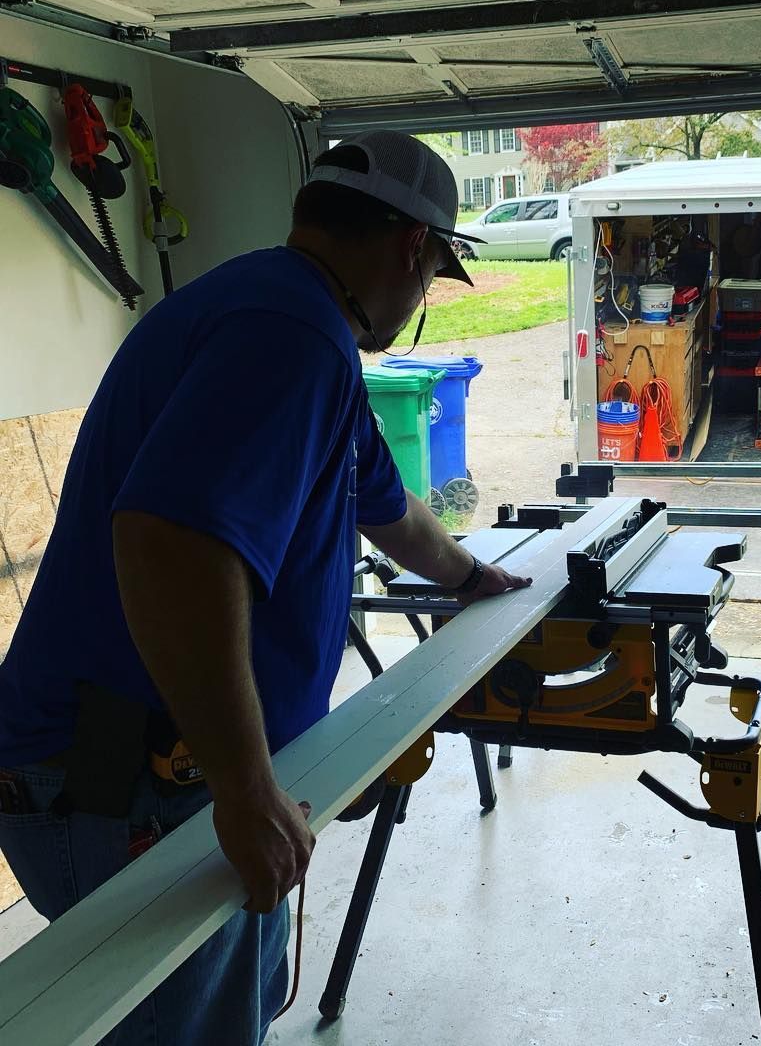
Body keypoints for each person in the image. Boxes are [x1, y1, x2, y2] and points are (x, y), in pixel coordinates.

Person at [0, 130, 530, 1044]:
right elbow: (168, 544)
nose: (418, 301)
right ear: (415, 248)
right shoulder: (293, 336)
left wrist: (471, 575)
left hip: (143, 773)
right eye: (434, 278)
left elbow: (389, 506)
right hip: (125, 782)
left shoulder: (273, 311)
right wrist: (246, 790)